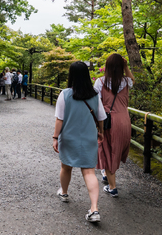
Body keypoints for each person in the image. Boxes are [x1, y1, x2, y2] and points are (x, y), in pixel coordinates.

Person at [53, 61, 106, 223]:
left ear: (71, 75)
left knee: (66, 166)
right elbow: (101, 117)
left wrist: (55, 137)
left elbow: (59, 119)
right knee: (89, 172)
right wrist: (101, 132)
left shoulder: (65, 94)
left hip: (69, 137)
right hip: (89, 138)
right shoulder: (95, 95)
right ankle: (94, 209)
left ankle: (64, 192)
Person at [94, 54, 135, 198]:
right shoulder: (125, 81)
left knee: (107, 150)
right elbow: (132, 80)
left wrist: (97, 125)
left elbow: (96, 105)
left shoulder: (100, 82)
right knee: (115, 149)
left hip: (108, 121)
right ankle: (106, 174)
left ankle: (113, 188)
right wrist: (125, 66)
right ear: (121, 67)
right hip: (125, 121)